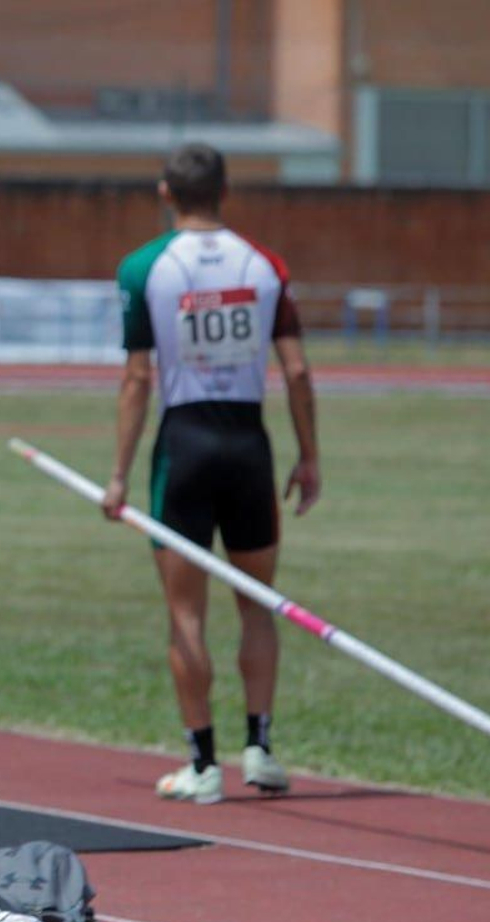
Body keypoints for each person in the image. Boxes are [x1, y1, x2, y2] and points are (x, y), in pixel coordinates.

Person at [103, 142, 319, 805]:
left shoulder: (144, 268)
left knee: (185, 613)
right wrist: (309, 456)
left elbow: (139, 377)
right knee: (259, 604)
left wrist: (118, 475)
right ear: (225, 192)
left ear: (166, 192)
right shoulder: (265, 265)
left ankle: (202, 763)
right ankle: (261, 748)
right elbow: (299, 370)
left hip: (186, 447)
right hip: (249, 445)